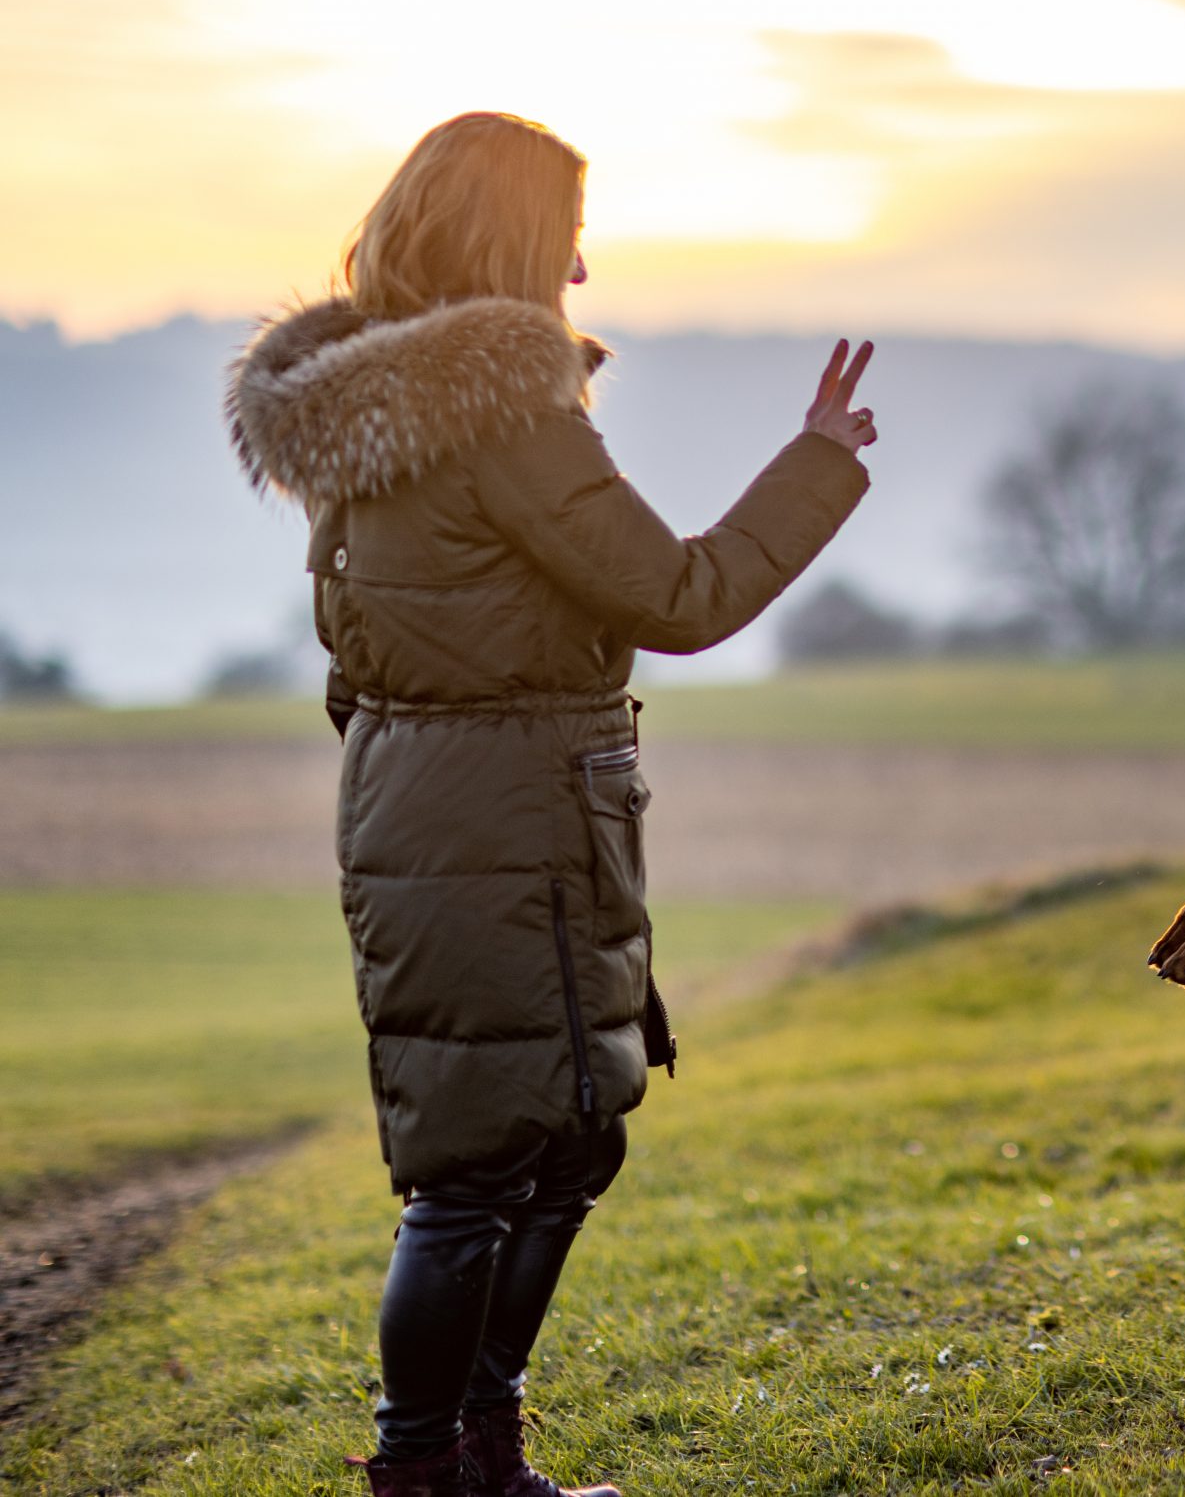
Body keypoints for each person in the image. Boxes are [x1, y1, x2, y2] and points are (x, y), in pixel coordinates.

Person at [223, 112, 879, 1497]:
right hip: (507, 819)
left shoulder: (367, 405)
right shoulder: (501, 411)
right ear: (520, 240)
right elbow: (682, 596)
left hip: (436, 806)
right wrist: (821, 460)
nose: (582, 272)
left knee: (567, 1134)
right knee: (478, 1169)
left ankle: (478, 1456)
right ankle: (427, 1474)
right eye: (569, 235)